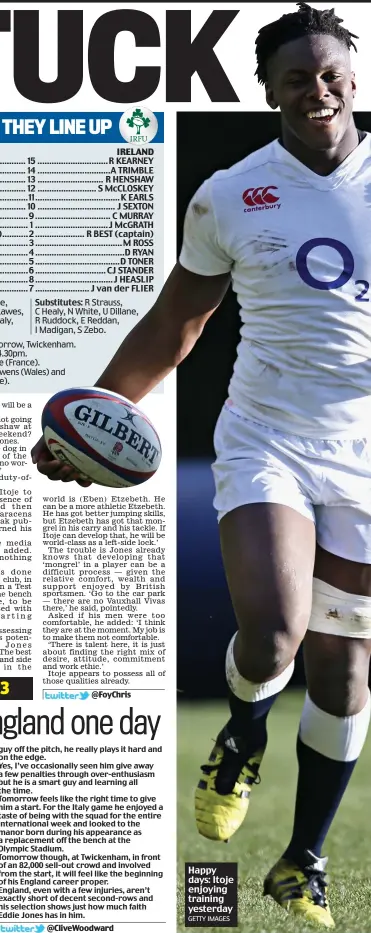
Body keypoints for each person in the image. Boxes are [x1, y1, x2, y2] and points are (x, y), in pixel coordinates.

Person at [32, 2, 371, 926]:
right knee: (272, 634)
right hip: (268, 433)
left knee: (344, 676)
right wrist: (91, 416)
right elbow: (175, 322)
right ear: (265, 91)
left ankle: (301, 860)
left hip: (366, 452)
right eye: (295, 76)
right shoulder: (230, 192)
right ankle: (242, 731)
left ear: (355, 74)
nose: (317, 88)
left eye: (331, 70)